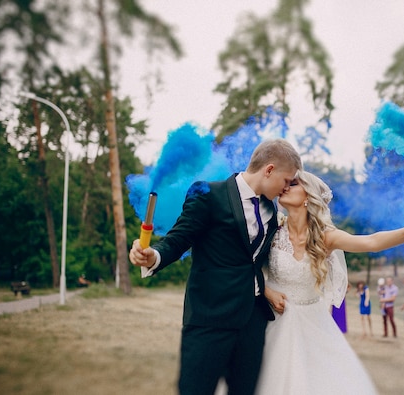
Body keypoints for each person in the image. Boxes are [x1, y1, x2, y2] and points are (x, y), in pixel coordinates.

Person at [128, 139, 302, 395]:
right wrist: (153, 255)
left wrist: (264, 290)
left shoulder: (270, 209)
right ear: (269, 170)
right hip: (209, 321)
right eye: (286, 180)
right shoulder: (208, 194)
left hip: (252, 324)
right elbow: (178, 239)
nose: (286, 188)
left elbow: (252, 262)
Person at [256, 171, 404, 394]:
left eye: (294, 183)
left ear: (308, 196)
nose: (285, 187)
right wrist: (267, 290)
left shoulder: (325, 237)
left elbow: (371, 242)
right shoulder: (271, 230)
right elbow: (245, 265)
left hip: (313, 325)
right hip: (270, 321)